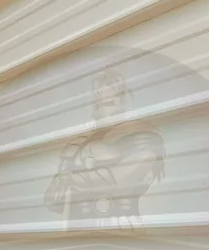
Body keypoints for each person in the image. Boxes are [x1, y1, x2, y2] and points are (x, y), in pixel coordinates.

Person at [44, 70, 165, 229]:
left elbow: (123, 178)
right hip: (77, 233)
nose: (102, 103)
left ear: (122, 100)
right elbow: (54, 200)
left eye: (110, 99)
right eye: (99, 99)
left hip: (120, 227)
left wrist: (73, 179)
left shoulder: (141, 134)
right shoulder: (77, 144)